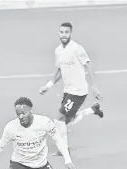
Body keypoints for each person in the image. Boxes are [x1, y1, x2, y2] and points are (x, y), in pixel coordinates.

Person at [39, 22, 104, 156]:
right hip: (68, 91)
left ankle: (64, 149)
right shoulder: (58, 51)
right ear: (58, 33)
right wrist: (48, 86)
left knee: (59, 119)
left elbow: (89, 66)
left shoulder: (76, 48)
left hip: (78, 92)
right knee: (66, 121)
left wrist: (94, 87)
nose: (64, 35)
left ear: (70, 33)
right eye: (61, 32)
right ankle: (92, 110)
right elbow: (59, 71)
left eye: (66, 32)